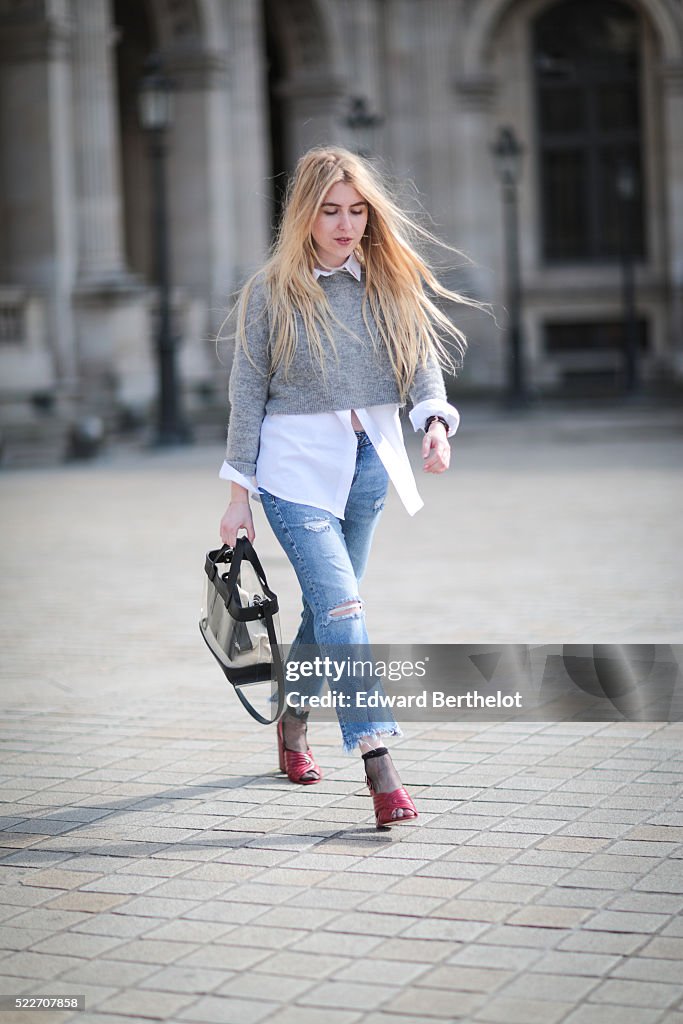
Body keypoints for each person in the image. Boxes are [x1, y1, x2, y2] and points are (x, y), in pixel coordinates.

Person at [219, 146, 474, 827]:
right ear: (305, 213)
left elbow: (418, 363)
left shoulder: (387, 283)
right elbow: (247, 396)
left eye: (356, 211)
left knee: (323, 613)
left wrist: (434, 425)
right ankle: (377, 759)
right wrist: (238, 495)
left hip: (368, 466)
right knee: (344, 613)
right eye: (330, 210)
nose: (344, 224)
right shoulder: (272, 292)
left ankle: (293, 718)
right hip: (291, 472)